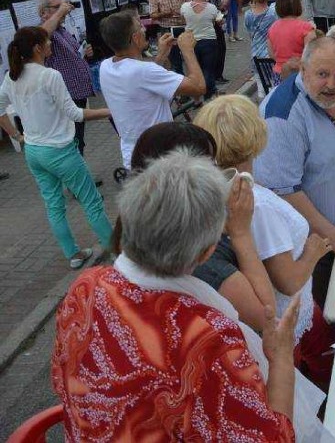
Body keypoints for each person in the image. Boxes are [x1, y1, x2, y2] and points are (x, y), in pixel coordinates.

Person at [51, 149, 301, 441]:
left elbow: (63, 378)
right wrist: (281, 357)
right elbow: (273, 438)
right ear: (206, 252)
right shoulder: (207, 338)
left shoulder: (85, 287)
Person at [195, 95, 335, 391]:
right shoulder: (254, 203)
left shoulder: (230, 191)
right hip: (289, 318)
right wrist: (313, 252)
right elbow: (287, 280)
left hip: (291, 314)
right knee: (320, 383)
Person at [114, 122, 277, 332]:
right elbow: (266, 317)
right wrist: (240, 233)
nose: (219, 173)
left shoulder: (99, 277)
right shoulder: (198, 255)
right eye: (211, 166)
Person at [254, 37, 335, 308]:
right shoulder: (284, 115)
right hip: (312, 252)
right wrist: (330, 235)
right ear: (303, 69)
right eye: (322, 74)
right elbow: (283, 192)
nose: (332, 84)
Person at [0, 27, 112, 268]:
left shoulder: (12, 76)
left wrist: (18, 136)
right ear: (38, 48)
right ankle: (117, 252)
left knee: (54, 205)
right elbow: (74, 113)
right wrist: (109, 111)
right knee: (91, 201)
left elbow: (0, 109)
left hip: (33, 152)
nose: (51, 44)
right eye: (47, 41)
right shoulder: (50, 75)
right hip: (61, 151)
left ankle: (73, 255)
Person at [98, 10, 206, 169]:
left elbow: (140, 82)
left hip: (133, 155)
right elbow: (199, 87)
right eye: (139, 26)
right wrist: (187, 50)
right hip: (159, 157)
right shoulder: (143, 71)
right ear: (135, 38)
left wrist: (161, 55)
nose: (144, 29)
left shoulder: (105, 66)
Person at [36, 0, 95, 159]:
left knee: (79, 139)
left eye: (63, 6)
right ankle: (76, 180)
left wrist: (85, 53)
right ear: (43, 12)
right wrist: (61, 12)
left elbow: (72, 56)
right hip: (65, 95)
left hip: (77, 93)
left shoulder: (61, 30)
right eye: (57, 6)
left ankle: (78, 176)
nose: (65, 10)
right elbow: (39, 36)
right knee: (73, 140)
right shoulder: (43, 31)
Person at [181, 0, 221, 100]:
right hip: (209, 40)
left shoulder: (184, 7)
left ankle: (196, 98)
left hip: (191, 42)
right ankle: (208, 95)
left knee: (193, 71)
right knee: (208, 70)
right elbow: (217, 21)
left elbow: (184, 21)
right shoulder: (212, 8)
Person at [148, 0, 192, 73]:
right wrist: (165, 13)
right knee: (174, 58)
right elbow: (153, 15)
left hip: (183, 25)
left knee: (190, 55)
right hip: (166, 27)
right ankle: (179, 80)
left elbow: (191, 5)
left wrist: (185, 12)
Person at [268, 0, 317, 77]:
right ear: (297, 4)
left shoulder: (272, 28)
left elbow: (271, 54)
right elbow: (311, 55)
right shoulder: (306, 28)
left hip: (279, 74)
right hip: (300, 74)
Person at [245, 0, 279, 97]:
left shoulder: (248, 15)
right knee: (275, 85)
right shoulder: (273, 12)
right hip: (271, 53)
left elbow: (250, 34)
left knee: (261, 87)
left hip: (256, 54)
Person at [201, 0, 231, 83]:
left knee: (211, 49)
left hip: (206, 22)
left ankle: (210, 75)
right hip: (215, 21)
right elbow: (221, 5)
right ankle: (217, 75)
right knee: (220, 48)